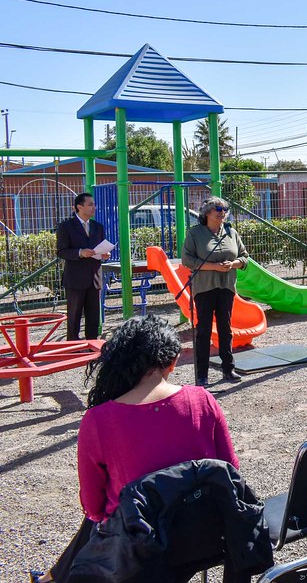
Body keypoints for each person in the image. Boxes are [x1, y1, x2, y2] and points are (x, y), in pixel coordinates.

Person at [32, 315, 239, 583]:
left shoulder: (98, 420)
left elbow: (94, 508)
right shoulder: (203, 400)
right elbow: (230, 471)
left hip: (138, 549)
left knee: (109, 510)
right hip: (206, 534)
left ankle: (52, 579)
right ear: (173, 362)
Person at [182, 196, 249, 387]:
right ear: (207, 212)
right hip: (204, 288)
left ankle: (229, 369)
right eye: (218, 209)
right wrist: (213, 266)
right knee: (203, 330)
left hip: (226, 287)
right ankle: (202, 375)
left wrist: (234, 263)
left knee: (225, 329)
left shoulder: (231, 232)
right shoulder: (195, 234)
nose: (222, 212)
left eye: (224, 209)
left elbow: (244, 257)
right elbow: (187, 260)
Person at [55, 192, 109, 341]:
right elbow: (61, 251)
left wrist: (104, 255)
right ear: (79, 207)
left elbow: (100, 247)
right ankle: (73, 344)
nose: (94, 207)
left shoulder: (98, 227)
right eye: (90, 204)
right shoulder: (66, 226)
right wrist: (80, 252)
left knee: (93, 314)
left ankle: (92, 343)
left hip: (94, 276)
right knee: (74, 314)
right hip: (75, 279)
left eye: (94, 204)